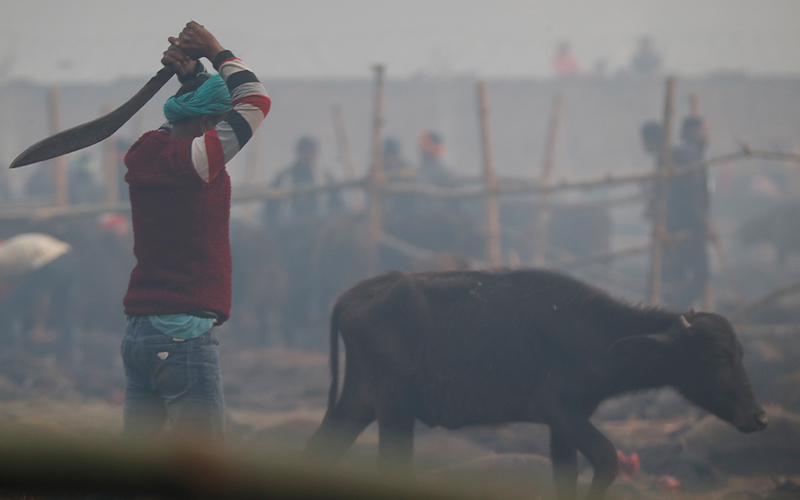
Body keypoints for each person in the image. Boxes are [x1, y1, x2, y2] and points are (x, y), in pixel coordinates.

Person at [121, 22, 271, 443]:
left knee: (136, 469)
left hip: (139, 332)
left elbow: (181, 123)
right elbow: (257, 102)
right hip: (181, 331)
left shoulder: (147, 151)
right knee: (202, 464)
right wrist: (218, 51)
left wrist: (191, 80)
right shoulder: (195, 162)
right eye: (219, 124)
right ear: (209, 121)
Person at [0, 233, 79, 362]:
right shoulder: (12, 255)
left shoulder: (4, 258)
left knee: (10, 310)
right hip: (68, 259)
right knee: (65, 310)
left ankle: (9, 351)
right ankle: (71, 351)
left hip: (47, 262)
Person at [661, 115, 711, 309]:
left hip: (685, 226)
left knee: (682, 275)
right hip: (687, 228)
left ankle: (676, 311)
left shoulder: (689, 155)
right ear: (692, 132)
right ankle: (676, 312)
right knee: (699, 274)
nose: (707, 136)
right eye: (704, 131)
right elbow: (691, 195)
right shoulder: (685, 157)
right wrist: (702, 222)